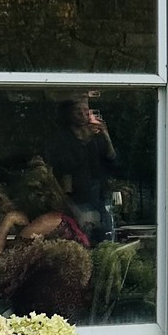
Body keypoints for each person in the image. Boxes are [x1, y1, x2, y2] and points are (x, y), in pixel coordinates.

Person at [45, 94, 119, 244]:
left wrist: (106, 135)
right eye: (78, 110)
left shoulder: (96, 137)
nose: (83, 114)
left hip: (100, 196)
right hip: (78, 198)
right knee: (83, 239)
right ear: (69, 114)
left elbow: (112, 159)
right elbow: (67, 167)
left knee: (106, 239)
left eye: (86, 110)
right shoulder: (63, 139)